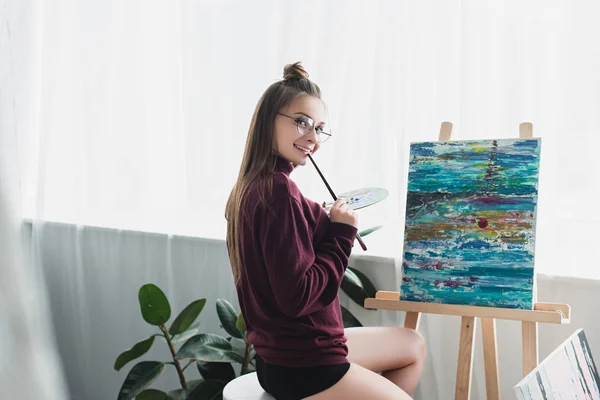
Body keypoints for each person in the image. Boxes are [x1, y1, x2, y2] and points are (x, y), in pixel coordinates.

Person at [225, 62, 426, 400]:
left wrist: (312, 219)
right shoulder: (279, 192)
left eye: (319, 128)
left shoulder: (254, 187)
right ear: (268, 119)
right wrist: (341, 235)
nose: (313, 137)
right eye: (302, 122)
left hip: (280, 358)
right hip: (303, 365)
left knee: (412, 346)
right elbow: (298, 296)